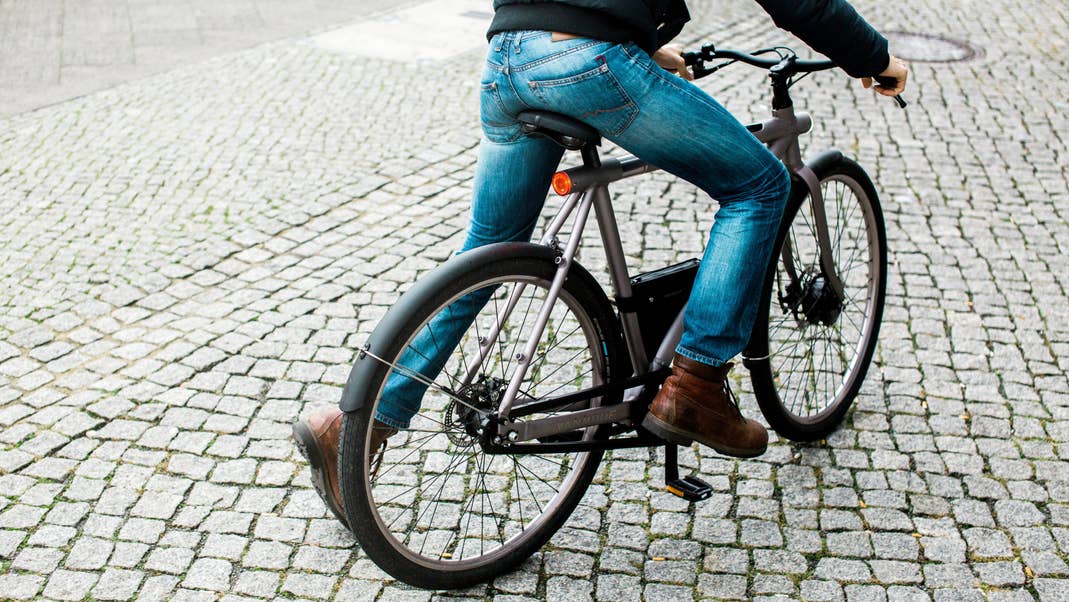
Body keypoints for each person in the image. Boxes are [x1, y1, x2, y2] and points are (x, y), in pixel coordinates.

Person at [293, 0, 908, 527]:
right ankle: (696, 384)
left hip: (511, 55)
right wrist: (877, 60)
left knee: (485, 253)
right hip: (589, 62)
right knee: (761, 186)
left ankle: (358, 426)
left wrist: (642, 45)